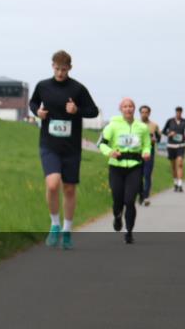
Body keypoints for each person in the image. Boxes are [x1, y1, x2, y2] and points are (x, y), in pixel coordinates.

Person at [29, 50, 100, 250]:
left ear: (70, 68)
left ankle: (67, 229)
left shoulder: (77, 89)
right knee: (52, 184)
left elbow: (93, 110)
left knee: (69, 188)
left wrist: (77, 110)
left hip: (71, 147)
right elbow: (33, 103)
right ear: (52, 66)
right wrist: (38, 112)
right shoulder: (43, 86)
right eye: (57, 69)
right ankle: (55, 224)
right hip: (49, 144)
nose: (60, 73)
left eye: (63, 69)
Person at [98, 98, 152, 244]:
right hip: (116, 167)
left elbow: (147, 145)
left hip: (135, 166)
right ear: (121, 109)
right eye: (125, 106)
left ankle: (129, 232)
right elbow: (101, 144)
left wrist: (146, 152)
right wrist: (110, 152)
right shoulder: (112, 126)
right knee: (117, 199)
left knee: (129, 201)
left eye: (131, 106)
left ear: (134, 109)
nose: (128, 109)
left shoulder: (142, 127)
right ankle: (117, 216)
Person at [162, 107, 185, 192]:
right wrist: (169, 133)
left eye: (180, 112)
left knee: (180, 164)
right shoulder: (170, 121)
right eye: (177, 112)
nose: (179, 113)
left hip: (181, 145)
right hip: (171, 145)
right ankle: (175, 182)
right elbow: (163, 131)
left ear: (182, 112)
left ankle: (180, 184)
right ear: (175, 112)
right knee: (173, 166)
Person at [138, 105, 160, 206]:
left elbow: (159, 138)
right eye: (142, 112)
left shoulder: (154, 125)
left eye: (146, 112)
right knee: (138, 176)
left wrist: (155, 140)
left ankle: (146, 196)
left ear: (149, 113)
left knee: (147, 175)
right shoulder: (135, 124)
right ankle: (140, 194)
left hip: (149, 152)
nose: (144, 114)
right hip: (137, 151)